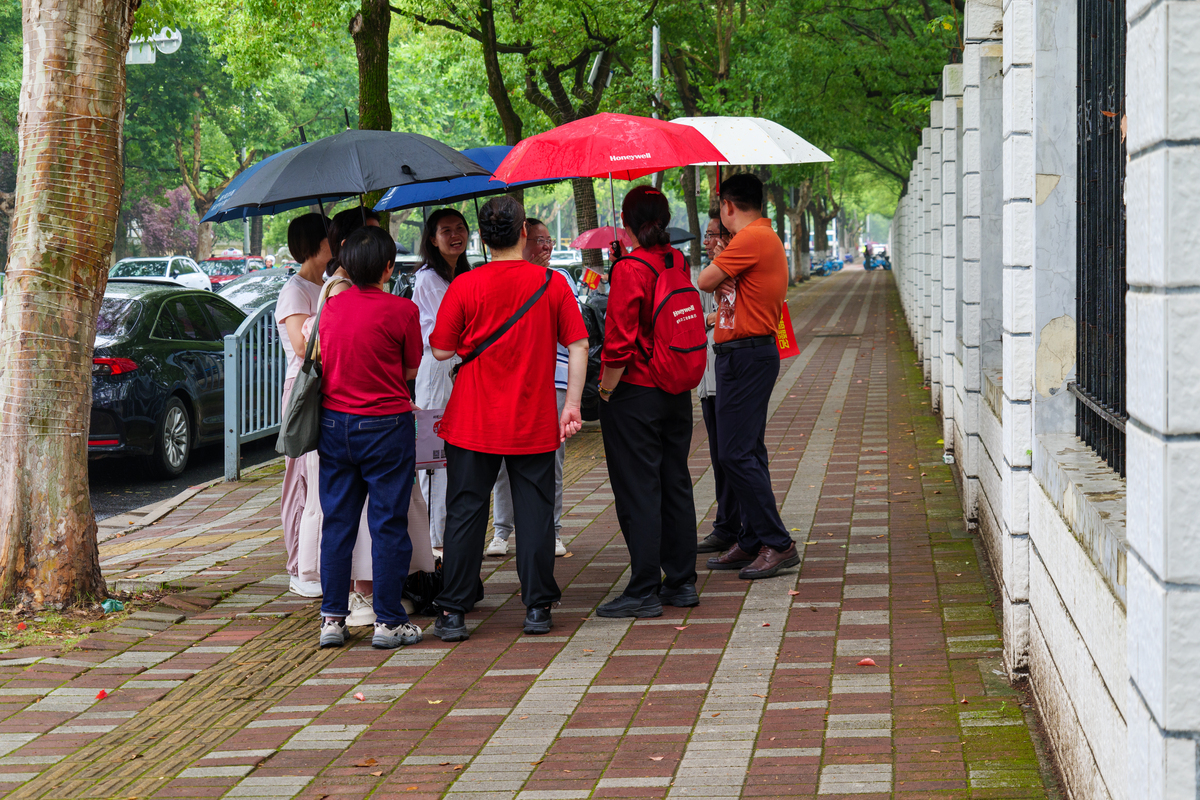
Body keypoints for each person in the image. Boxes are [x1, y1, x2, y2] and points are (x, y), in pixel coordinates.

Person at [429, 196, 589, 641]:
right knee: (535, 512)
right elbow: (579, 344)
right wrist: (571, 404)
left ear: (481, 237)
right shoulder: (551, 284)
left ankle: (455, 611)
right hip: (534, 418)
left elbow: (441, 350)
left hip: (472, 419)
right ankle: (537, 607)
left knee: (465, 512)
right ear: (523, 233)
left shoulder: (464, 286)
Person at [315, 225, 424, 650]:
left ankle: (332, 619)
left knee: (338, 524)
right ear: (387, 267)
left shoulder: (331, 308)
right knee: (388, 524)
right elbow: (411, 371)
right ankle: (389, 621)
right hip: (386, 426)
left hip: (334, 426)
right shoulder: (402, 311)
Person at [595, 186, 700, 618]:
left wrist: (604, 392)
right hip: (676, 387)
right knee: (675, 482)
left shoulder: (629, 269)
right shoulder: (676, 260)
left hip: (636, 392)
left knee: (639, 489)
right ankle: (681, 582)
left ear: (626, 221)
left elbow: (618, 345)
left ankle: (642, 589)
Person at [698, 173, 799, 580]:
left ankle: (777, 542)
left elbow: (705, 281)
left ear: (727, 206)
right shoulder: (758, 238)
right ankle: (755, 537)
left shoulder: (753, 238)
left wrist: (721, 258)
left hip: (746, 355)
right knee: (746, 451)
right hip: (741, 354)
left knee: (735, 454)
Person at [295, 206, 384, 627]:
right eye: (372, 238)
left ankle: (335, 613)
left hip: (337, 417)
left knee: (338, 514)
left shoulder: (336, 288)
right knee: (366, 516)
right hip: (359, 416)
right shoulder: (343, 292)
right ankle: (363, 598)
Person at [488, 218, 570, 559]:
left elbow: (572, 337)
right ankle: (502, 531)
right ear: (521, 241)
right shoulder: (500, 280)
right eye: (539, 241)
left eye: (549, 241)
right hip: (507, 380)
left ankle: (552, 529)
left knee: (552, 458)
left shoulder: (560, 280)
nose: (547, 247)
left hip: (553, 379)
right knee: (503, 459)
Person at [276, 212, 330, 598]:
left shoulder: (324, 285)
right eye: (330, 238)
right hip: (302, 387)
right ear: (314, 244)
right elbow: (301, 347)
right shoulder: (295, 290)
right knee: (298, 478)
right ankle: (297, 567)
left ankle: (313, 560)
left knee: (317, 479)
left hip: (323, 385)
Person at [413, 209, 473, 556]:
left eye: (460, 229)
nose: (455, 236)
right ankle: (436, 542)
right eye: (446, 230)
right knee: (434, 460)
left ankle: (450, 534)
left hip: (458, 372)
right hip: (437, 374)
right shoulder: (429, 280)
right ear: (432, 239)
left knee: (455, 456)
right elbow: (448, 332)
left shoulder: (460, 275)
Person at [696, 216, 742, 555]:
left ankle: (737, 525)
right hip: (708, 376)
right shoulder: (703, 276)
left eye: (713, 235)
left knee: (734, 454)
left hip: (734, 371)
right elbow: (689, 322)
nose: (708, 241)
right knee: (719, 454)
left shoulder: (742, 271)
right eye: (708, 235)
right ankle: (727, 523)